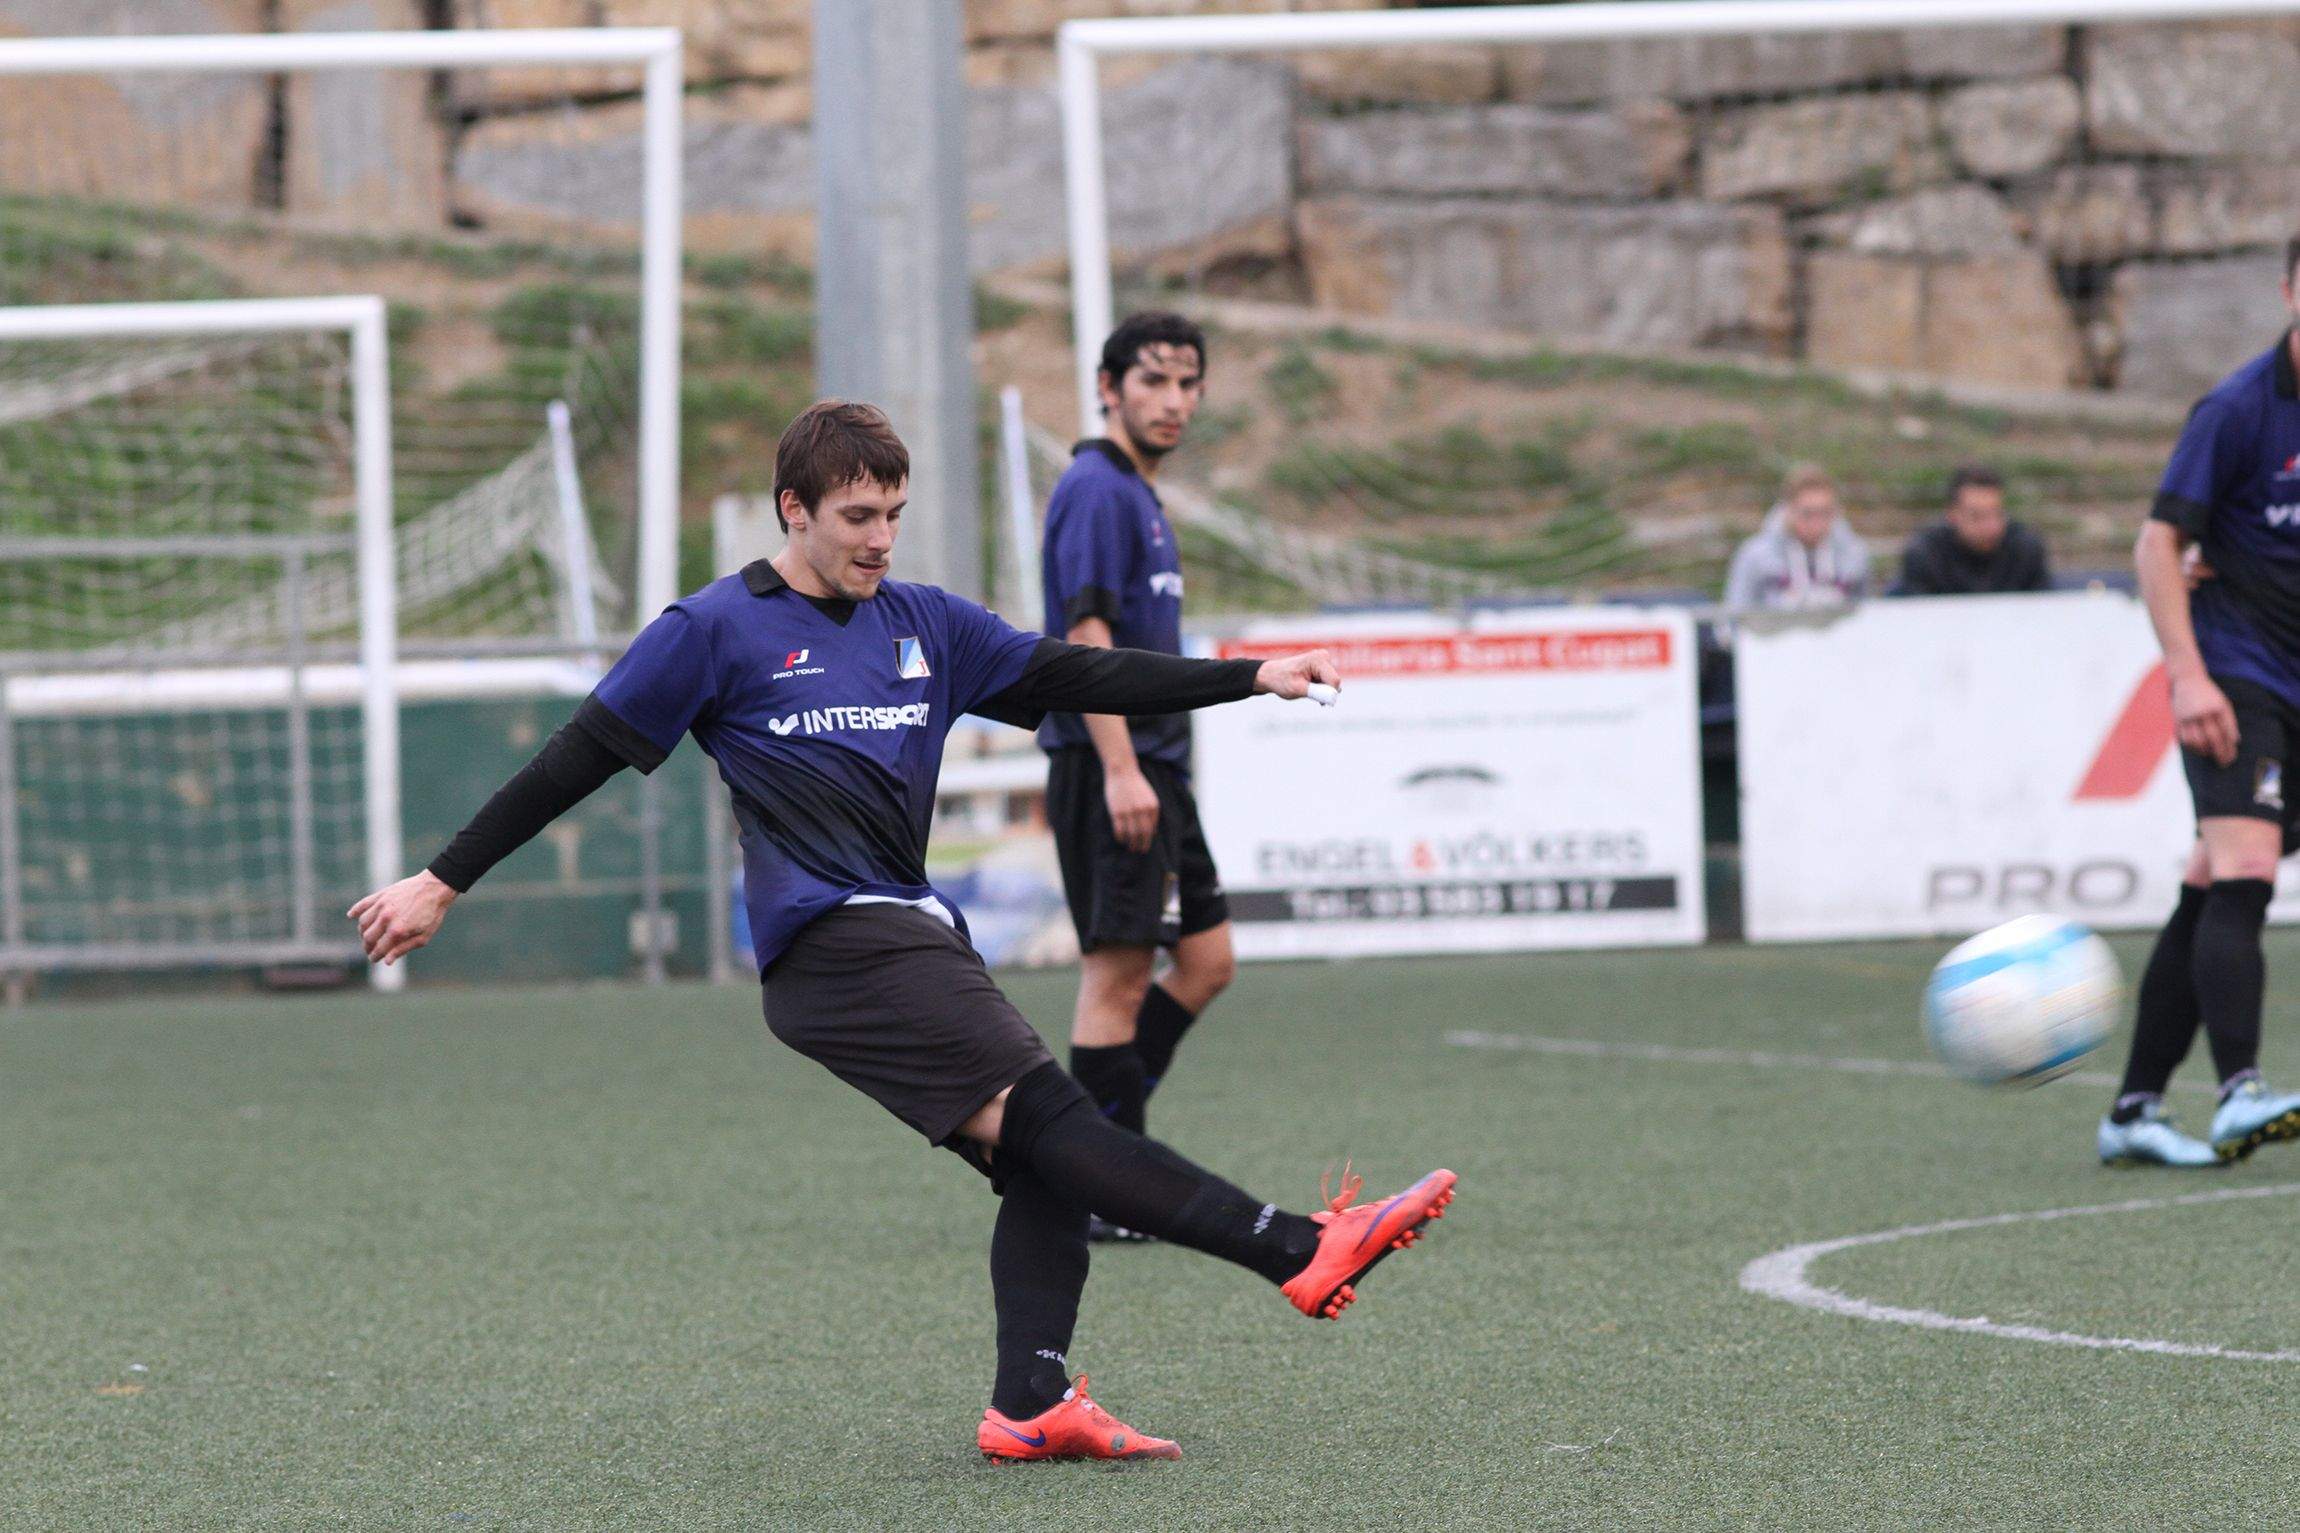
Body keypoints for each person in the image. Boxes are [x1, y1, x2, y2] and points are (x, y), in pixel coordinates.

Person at [347, 400, 1458, 1462]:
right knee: (1061, 1121)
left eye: (893, 515)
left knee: (1043, 1160)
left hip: (907, 932)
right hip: (835, 944)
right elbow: (573, 758)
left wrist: (1249, 676)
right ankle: (1295, 1249)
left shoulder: (924, 622)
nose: (880, 539)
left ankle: (1031, 1401)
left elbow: (1078, 670)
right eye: (856, 518)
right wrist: (443, 882)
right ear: (793, 509)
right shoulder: (711, 629)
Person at [2098, 236, 2300, 1168]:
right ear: (2289, 291)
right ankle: (2238, 1092)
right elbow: (2154, 544)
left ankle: (2135, 1108)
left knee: (2210, 883)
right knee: (2245, 866)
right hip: (2237, 678)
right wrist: (2186, 674)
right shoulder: (2236, 410)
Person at [1037, 313, 1233, 1242]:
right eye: (1153, 381)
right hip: (1112, 765)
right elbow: (1086, 639)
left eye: (1188, 383)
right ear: (1107, 387)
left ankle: (1094, 1154)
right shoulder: (1095, 489)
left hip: (1158, 766)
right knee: (1115, 975)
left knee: (1206, 962)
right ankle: (1101, 1179)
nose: (1174, 400)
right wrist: (1120, 767)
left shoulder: (1140, 495)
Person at [1722, 464, 1870, 611]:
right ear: (1788, 510)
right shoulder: (1755, 555)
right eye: (1808, 514)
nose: (1817, 523)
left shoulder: (1854, 554)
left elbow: (1866, 614)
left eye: (1825, 513)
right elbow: (1735, 611)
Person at [1891, 465, 2053, 596]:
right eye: (1977, 516)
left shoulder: (2025, 548)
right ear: (1952, 515)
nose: (1991, 525)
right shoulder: (1926, 553)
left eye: (1996, 513)